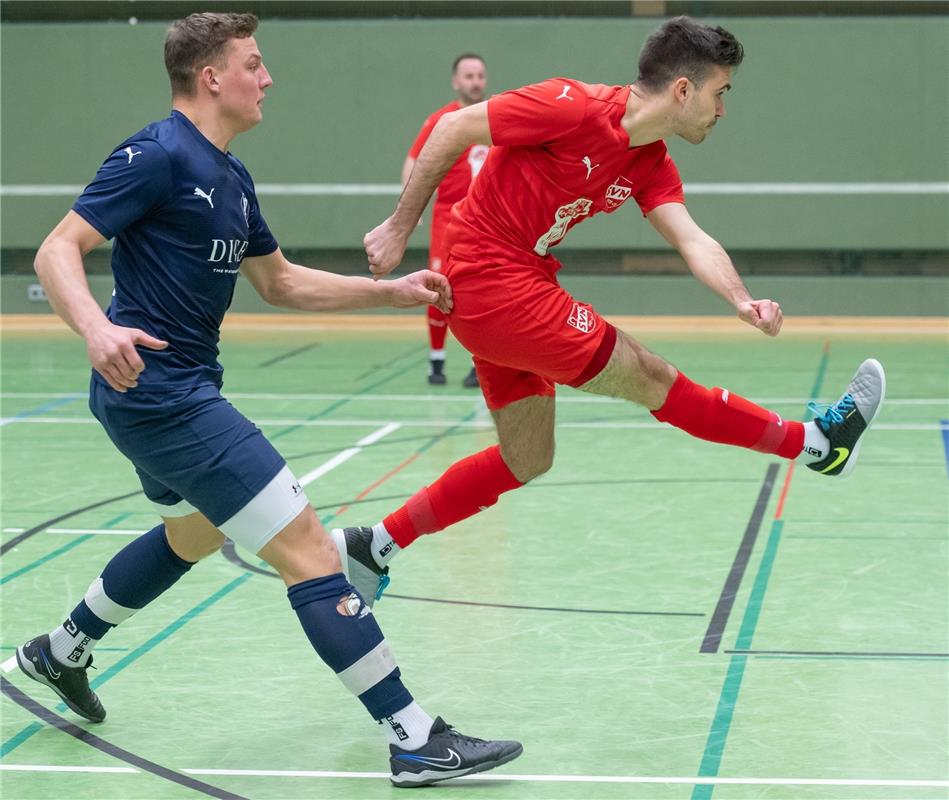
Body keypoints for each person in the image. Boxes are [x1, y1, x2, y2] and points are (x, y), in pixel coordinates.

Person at [15, 13, 521, 788]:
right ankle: (413, 736)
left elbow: (280, 282)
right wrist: (93, 327)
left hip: (170, 394)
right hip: (161, 394)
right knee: (313, 550)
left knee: (188, 538)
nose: (268, 77)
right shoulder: (155, 154)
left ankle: (60, 649)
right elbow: (58, 248)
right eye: (254, 64)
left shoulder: (231, 176)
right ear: (211, 76)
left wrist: (386, 293)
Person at [339, 17, 886, 583]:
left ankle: (374, 545)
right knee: (651, 375)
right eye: (719, 93)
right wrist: (400, 227)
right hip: (492, 282)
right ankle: (816, 446)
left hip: (511, 292)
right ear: (682, 90)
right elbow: (453, 128)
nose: (722, 109)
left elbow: (692, 238)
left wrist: (741, 299)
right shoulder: (568, 106)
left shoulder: (649, 161)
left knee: (528, 457)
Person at [402, 53, 488, 388]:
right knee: (438, 286)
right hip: (448, 219)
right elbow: (414, 161)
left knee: (481, 291)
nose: (475, 81)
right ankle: (436, 360)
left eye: (480, 75)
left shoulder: (493, 118)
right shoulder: (442, 120)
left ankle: (480, 363)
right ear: (456, 81)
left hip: (486, 223)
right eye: (468, 76)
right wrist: (412, 206)